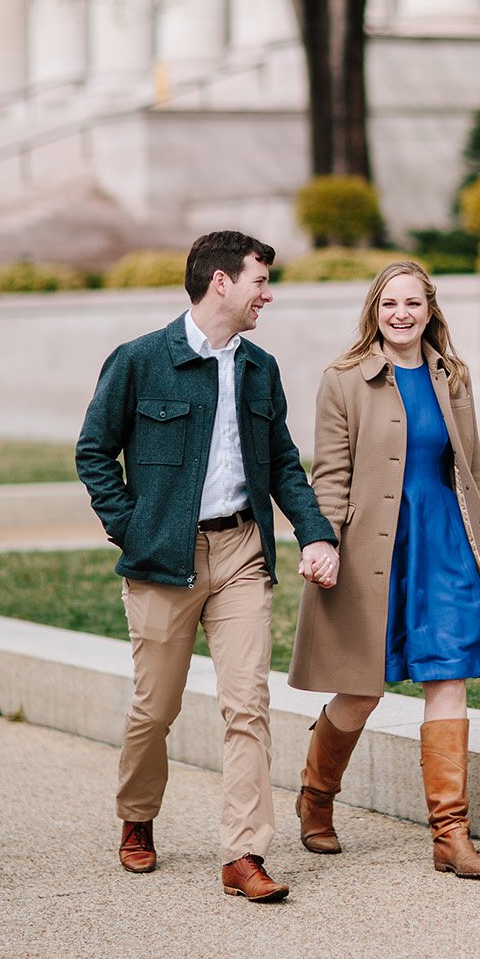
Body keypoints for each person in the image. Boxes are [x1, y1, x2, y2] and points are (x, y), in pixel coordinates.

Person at [76, 229, 338, 904]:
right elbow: (94, 453)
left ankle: (243, 853)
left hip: (242, 552)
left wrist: (315, 534)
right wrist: (132, 529)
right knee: (153, 708)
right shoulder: (139, 361)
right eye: (259, 281)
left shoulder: (260, 368)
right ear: (221, 282)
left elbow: (282, 463)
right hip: (164, 558)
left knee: (248, 703)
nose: (266, 295)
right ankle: (137, 814)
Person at [288, 260, 480, 879]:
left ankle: (450, 833)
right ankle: (316, 797)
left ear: (430, 310)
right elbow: (329, 475)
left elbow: (471, 467)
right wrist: (320, 540)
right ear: (374, 312)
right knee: (360, 690)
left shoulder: (451, 376)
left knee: (449, 677)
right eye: (389, 305)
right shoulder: (343, 380)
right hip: (370, 549)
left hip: (443, 543)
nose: (401, 315)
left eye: (412, 303)